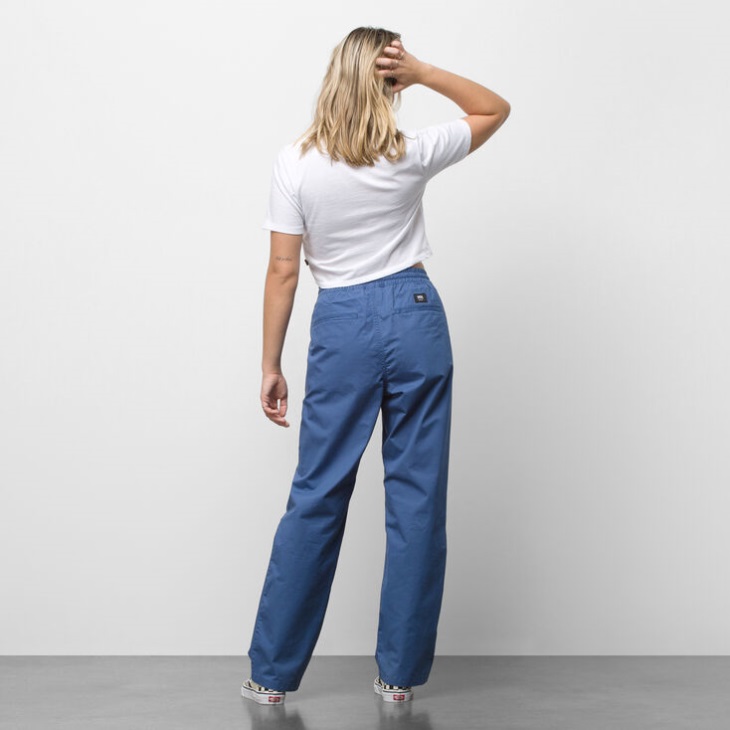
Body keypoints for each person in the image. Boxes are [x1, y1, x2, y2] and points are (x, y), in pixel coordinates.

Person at [241, 26, 510, 706]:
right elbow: (493, 108)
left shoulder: (295, 163)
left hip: (342, 324)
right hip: (415, 314)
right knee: (417, 498)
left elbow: (282, 271)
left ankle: (270, 678)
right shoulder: (410, 153)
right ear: (390, 83)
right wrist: (425, 71)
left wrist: (270, 362)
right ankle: (398, 679)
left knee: (317, 493)